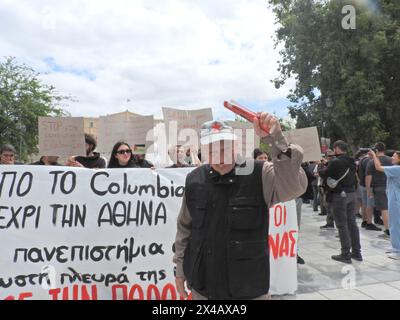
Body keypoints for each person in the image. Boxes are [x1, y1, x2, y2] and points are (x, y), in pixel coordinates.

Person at [173, 114, 307, 300]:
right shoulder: (194, 179)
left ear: (235, 146)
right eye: (212, 151)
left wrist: (276, 139)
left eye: (224, 149)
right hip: (203, 288)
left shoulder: (261, 172)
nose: (220, 159)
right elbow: (184, 228)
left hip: (248, 289)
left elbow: (294, 187)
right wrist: (179, 270)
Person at [318, 140, 362, 264]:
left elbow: (325, 174)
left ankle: (345, 254)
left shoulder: (335, 162)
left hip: (340, 195)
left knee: (342, 225)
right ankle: (357, 253)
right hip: (351, 193)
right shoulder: (351, 160)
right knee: (352, 223)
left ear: (337, 148)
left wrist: (321, 167)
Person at [369, 150, 400, 258]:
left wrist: (374, 155)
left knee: (395, 224)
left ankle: (398, 250)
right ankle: (395, 246)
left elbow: (378, 167)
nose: (392, 158)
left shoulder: (397, 169)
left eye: (394, 157)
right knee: (393, 223)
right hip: (394, 198)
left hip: (396, 199)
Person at [365, 142, 392, 237]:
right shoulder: (391, 160)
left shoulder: (371, 162)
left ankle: (388, 229)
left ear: (375, 150)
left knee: (384, 209)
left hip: (379, 188)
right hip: (391, 186)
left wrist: (368, 190)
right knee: (391, 208)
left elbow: (369, 177)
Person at [357, 150, 381, 231]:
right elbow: (369, 174)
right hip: (368, 185)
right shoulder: (368, 161)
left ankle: (364, 221)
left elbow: (357, 173)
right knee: (369, 205)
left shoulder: (362, 160)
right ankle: (369, 223)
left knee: (364, 204)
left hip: (362, 184)